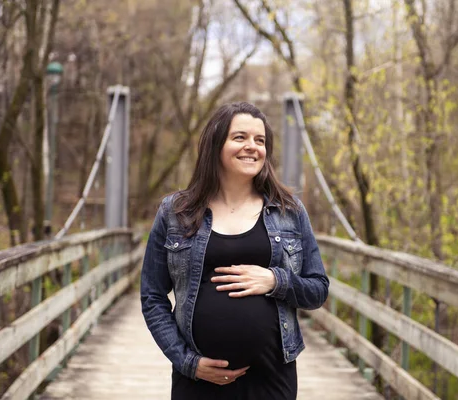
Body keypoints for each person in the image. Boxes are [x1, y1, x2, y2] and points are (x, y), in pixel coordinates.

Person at [140, 101, 329, 399]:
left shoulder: (289, 211)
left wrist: (275, 280)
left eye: (260, 140)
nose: (252, 146)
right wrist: (187, 362)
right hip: (198, 380)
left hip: (271, 377)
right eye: (240, 137)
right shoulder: (175, 212)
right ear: (217, 143)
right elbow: (152, 296)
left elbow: (318, 289)